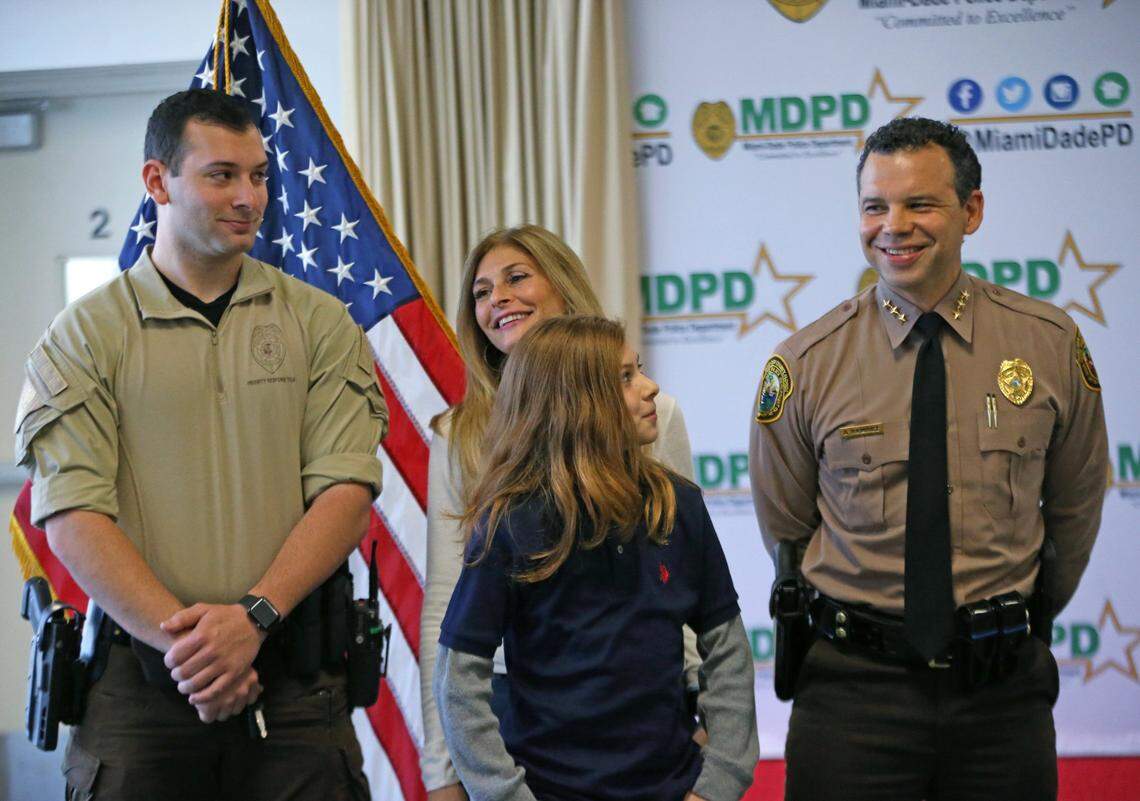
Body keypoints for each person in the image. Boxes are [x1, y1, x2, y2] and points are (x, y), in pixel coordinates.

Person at [13, 89, 387, 800]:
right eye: (222, 175)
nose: (249, 196)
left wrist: (252, 619)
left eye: (260, 175)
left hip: (296, 681)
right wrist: (196, 651)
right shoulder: (85, 335)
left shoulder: (322, 324)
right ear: (158, 182)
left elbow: (345, 493)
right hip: (139, 691)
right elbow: (71, 516)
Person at [748, 116, 1109, 801]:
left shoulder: (1050, 345)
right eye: (875, 206)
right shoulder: (806, 362)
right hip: (853, 694)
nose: (894, 225)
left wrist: (1012, 616)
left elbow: (1076, 507)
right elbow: (787, 529)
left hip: (1000, 691)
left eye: (920, 203)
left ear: (971, 211)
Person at [420, 225, 701, 800]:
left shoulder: (654, 413)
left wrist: (699, 704)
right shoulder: (459, 434)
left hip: (642, 700)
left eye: (517, 277)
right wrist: (443, 768)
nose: (496, 298)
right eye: (480, 291)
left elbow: (684, 576)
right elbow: (444, 605)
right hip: (506, 711)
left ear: (564, 286)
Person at [435, 314, 758, 801]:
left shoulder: (680, 504)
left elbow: (729, 651)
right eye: (626, 377)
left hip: (673, 787)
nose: (651, 389)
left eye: (640, 370)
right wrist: (503, 793)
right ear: (575, 403)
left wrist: (718, 783)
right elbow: (458, 679)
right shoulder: (512, 521)